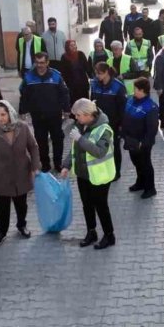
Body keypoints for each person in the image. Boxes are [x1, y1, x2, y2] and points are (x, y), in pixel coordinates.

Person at [0, 100, 41, 246]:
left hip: (21, 173)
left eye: (3, 115)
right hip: (0, 176)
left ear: (10, 114)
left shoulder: (22, 127)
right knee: (2, 206)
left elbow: (33, 147)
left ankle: (21, 225)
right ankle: (2, 231)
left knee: (21, 204)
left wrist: (35, 166)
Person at [61, 98, 117, 249]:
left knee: (101, 206)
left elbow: (99, 152)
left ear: (87, 114)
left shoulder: (104, 129)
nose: (76, 119)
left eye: (78, 115)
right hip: (83, 174)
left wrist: (80, 139)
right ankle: (91, 232)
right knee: (87, 205)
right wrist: (66, 165)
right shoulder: (81, 125)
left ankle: (109, 235)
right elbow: (75, 149)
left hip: (100, 176)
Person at [19, 53, 71, 172]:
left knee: (57, 139)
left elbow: (64, 93)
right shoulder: (28, 77)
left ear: (47, 62)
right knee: (41, 141)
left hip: (54, 114)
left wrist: (67, 109)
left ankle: (58, 163)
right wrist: (22, 110)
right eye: (37, 63)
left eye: (42, 63)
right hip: (37, 115)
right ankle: (45, 164)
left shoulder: (56, 76)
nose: (39, 65)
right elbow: (24, 95)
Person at [123, 78, 159, 199]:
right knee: (137, 163)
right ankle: (140, 183)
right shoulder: (130, 101)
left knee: (145, 164)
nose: (133, 91)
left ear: (142, 90)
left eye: (135, 89)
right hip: (131, 140)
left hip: (142, 143)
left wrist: (144, 143)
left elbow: (152, 128)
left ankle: (150, 188)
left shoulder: (150, 106)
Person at [90, 62, 127, 178]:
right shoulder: (95, 84)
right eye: (96, 73)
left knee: (114, 148)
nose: (97, 76)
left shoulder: (118, 86)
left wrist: (121, 125)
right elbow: (92, 103)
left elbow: (123, 108)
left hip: (113, 124)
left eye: (100, 73)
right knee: (100, 147)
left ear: (107, 73)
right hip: (98, 124)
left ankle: (116, 172)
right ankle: (104, 169)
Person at [60, 39, 92, 105]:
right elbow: (63, 72)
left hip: (82, 83)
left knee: (85, 103)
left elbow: (87, 68)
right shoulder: (64, 57)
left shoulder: (81, 54)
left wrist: (92, 78)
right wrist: (67, 84)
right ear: (67, 47)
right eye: (71, 45)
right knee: (74, 103)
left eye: (74, 45)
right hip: (72, 85)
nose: (74, 46)